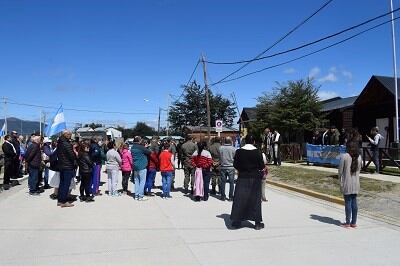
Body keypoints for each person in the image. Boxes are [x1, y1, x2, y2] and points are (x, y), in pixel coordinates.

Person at [230, 134, 265, 230]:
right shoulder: (257, 152)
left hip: (242, 177)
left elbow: (235, 164)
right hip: (255, 178)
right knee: (255, 200)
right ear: (254, 142)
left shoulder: (239, 151)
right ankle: (257, 223)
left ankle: (237, 221)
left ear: (245, 141)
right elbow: (261, 166)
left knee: (239, 199)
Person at [338, 141, 362, 228]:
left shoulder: (344, 156)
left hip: (347, 182)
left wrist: (339, 180)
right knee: (354, 201)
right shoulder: (359, 157)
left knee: (348, 202)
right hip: (356, 182)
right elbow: (359, 169)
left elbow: (340, 171)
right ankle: (354, 222)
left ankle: (348, 222)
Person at [57, 130, 77, 208]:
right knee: (66, 184)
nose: (70, 135)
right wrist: (75, 155)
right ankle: (63, 201)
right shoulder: (66, 144)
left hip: (61, 165)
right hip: (67, 166)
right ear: (65, 135)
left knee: (62, 183)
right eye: (69, 134)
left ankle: (60, 199)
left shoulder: (60, 143)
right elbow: (72, 156)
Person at [131, 136, 150, 201]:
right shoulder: (141, 147)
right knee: (142, 181)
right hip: (142, 166)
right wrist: (146, 146)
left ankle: (136, 195)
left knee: (136, 181)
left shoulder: (132, 147)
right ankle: (141, 196)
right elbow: (149, 152)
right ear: (139, 141)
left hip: (135, 166)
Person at [219, 136, 236, 201]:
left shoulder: (221, 148)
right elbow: (235, 158)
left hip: (223, 166)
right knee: (231, 182)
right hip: (231, 167)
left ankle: (223, 196)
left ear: (224, 141)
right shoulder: (233, 149)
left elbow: (220, 157)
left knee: (223, 182)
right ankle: (231, 197)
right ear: (231, 141)